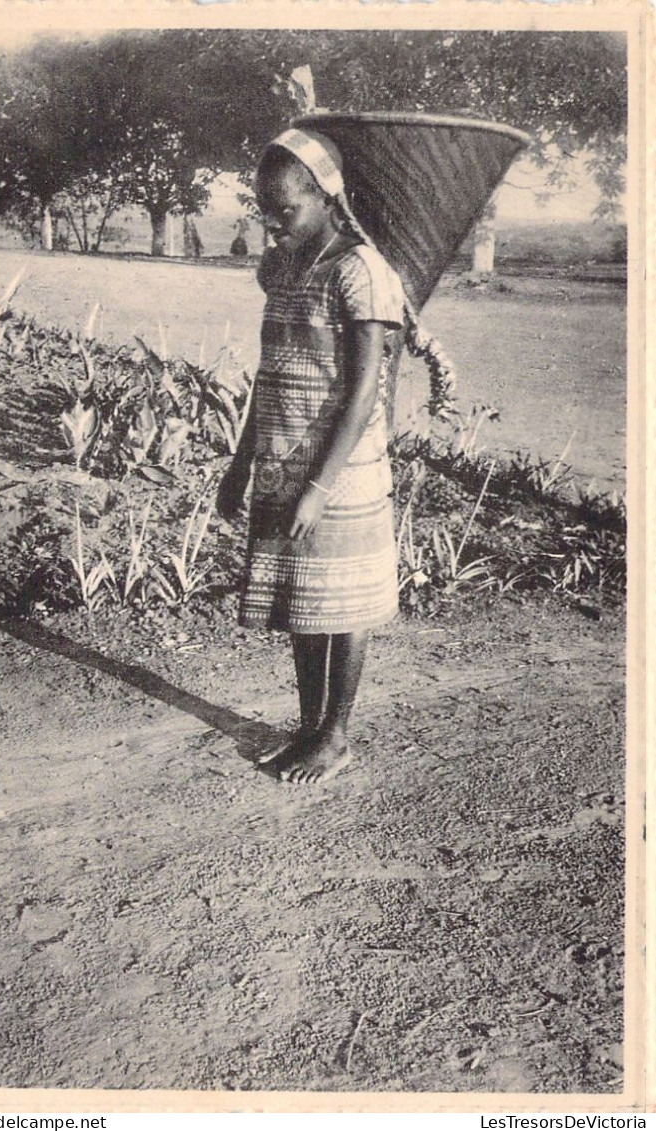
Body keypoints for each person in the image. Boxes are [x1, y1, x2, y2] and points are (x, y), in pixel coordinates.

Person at [216, 127, 406, 785]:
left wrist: (320, 487)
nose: (273, 223)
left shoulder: (360, 271)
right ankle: (307, 729)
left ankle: (336, 736)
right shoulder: (286, 268)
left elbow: (361, 395)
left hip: (341, 473)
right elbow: (269, 376)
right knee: (303, 602)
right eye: (265, 211)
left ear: (325, 196)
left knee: (343, 602)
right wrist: (241, 464)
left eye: (285, 210)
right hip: (279, 459)